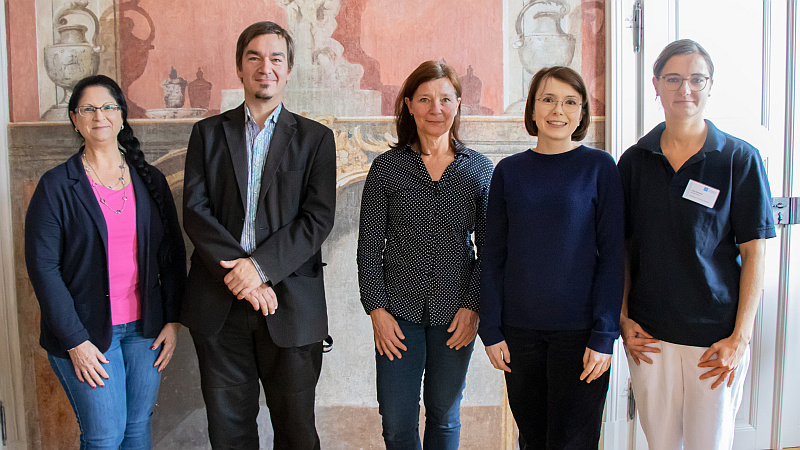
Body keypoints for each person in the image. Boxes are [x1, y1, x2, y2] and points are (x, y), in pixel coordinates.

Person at [181, 21, 336, 449]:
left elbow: (317, 219)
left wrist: (260, 268)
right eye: (254, 57)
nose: (265, 67)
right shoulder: (207, 134)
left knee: (297, 433)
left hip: (291, 305)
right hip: (218, 303)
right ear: (239, 68)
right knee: (229, 434)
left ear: (288, 70)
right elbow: (195, 212)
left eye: (275, 58)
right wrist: (243, 278)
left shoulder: (316, 139)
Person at [618, 39, 775, 450]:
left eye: (696, 79)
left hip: (715, 339)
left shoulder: (739, 159)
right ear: (656, 84)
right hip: (649, 336)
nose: (684, 89)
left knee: (710, 444)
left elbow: (755, 252)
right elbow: (622, 247)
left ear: (710, 85)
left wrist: (740, 338)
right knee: (661, 443)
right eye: (673, 79)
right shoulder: (634, 161)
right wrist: (622, 317)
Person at [24, 74, 186, 449]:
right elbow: (43, 270)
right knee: (104, 437)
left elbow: (172, 255)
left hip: (146, 330)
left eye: (109, 107)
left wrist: (174, 319)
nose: (100, 116)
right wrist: (75, 342)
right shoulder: (56, 186)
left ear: (122, 115)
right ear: (74, 119)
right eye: (88, 109)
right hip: (86, 333)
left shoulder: (150, 180)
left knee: (137, 427)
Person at [479, 66, 624, 450]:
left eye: (570, 102)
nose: (558, 110)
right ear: (532, 108)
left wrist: (605, 334)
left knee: (573, 442)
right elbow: (492, 256)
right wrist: (490, 329)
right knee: (533, 440)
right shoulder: (509, 171)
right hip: (519, 334)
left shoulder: (599, 167)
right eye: (548, 99)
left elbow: (613, 257)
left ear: (581, 113)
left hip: (581, 335)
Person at [356, 60, 493, 450]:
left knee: (445, 416)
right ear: (409, 105)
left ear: (458, 103)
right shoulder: (387, 169)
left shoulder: (479, 170)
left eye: (445, 99)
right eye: (425, 99)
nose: (436, 109)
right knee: (397, 422)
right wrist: (377, 311)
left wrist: (473, 307)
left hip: (456, 313)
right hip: (397, 315)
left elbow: (490, 250)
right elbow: (369, 248)